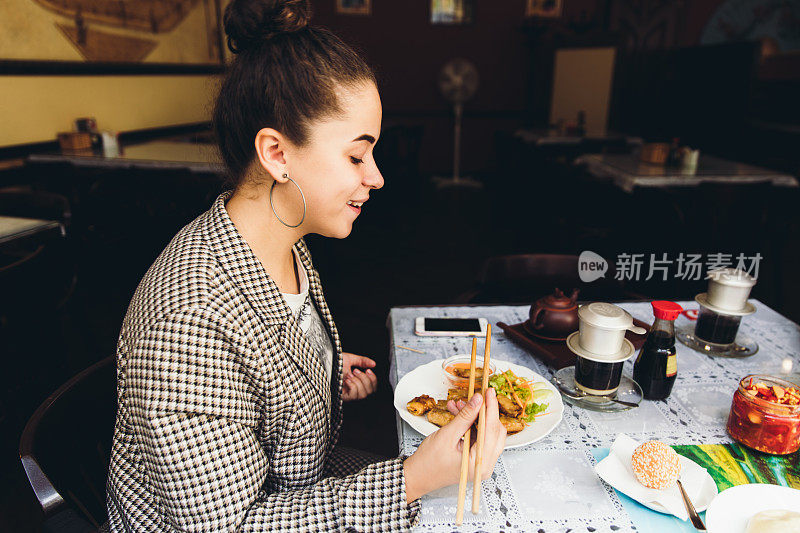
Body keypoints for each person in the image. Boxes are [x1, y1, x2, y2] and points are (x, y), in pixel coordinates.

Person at [105, 0, 506, 530]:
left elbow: (263, 359)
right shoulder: (190, 318)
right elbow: (228, 525)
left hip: (296, 485)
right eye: (357, 156)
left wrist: (320, 370)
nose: (377, 177)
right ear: (276, 153)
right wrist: (412, 479)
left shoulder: (285, 244)